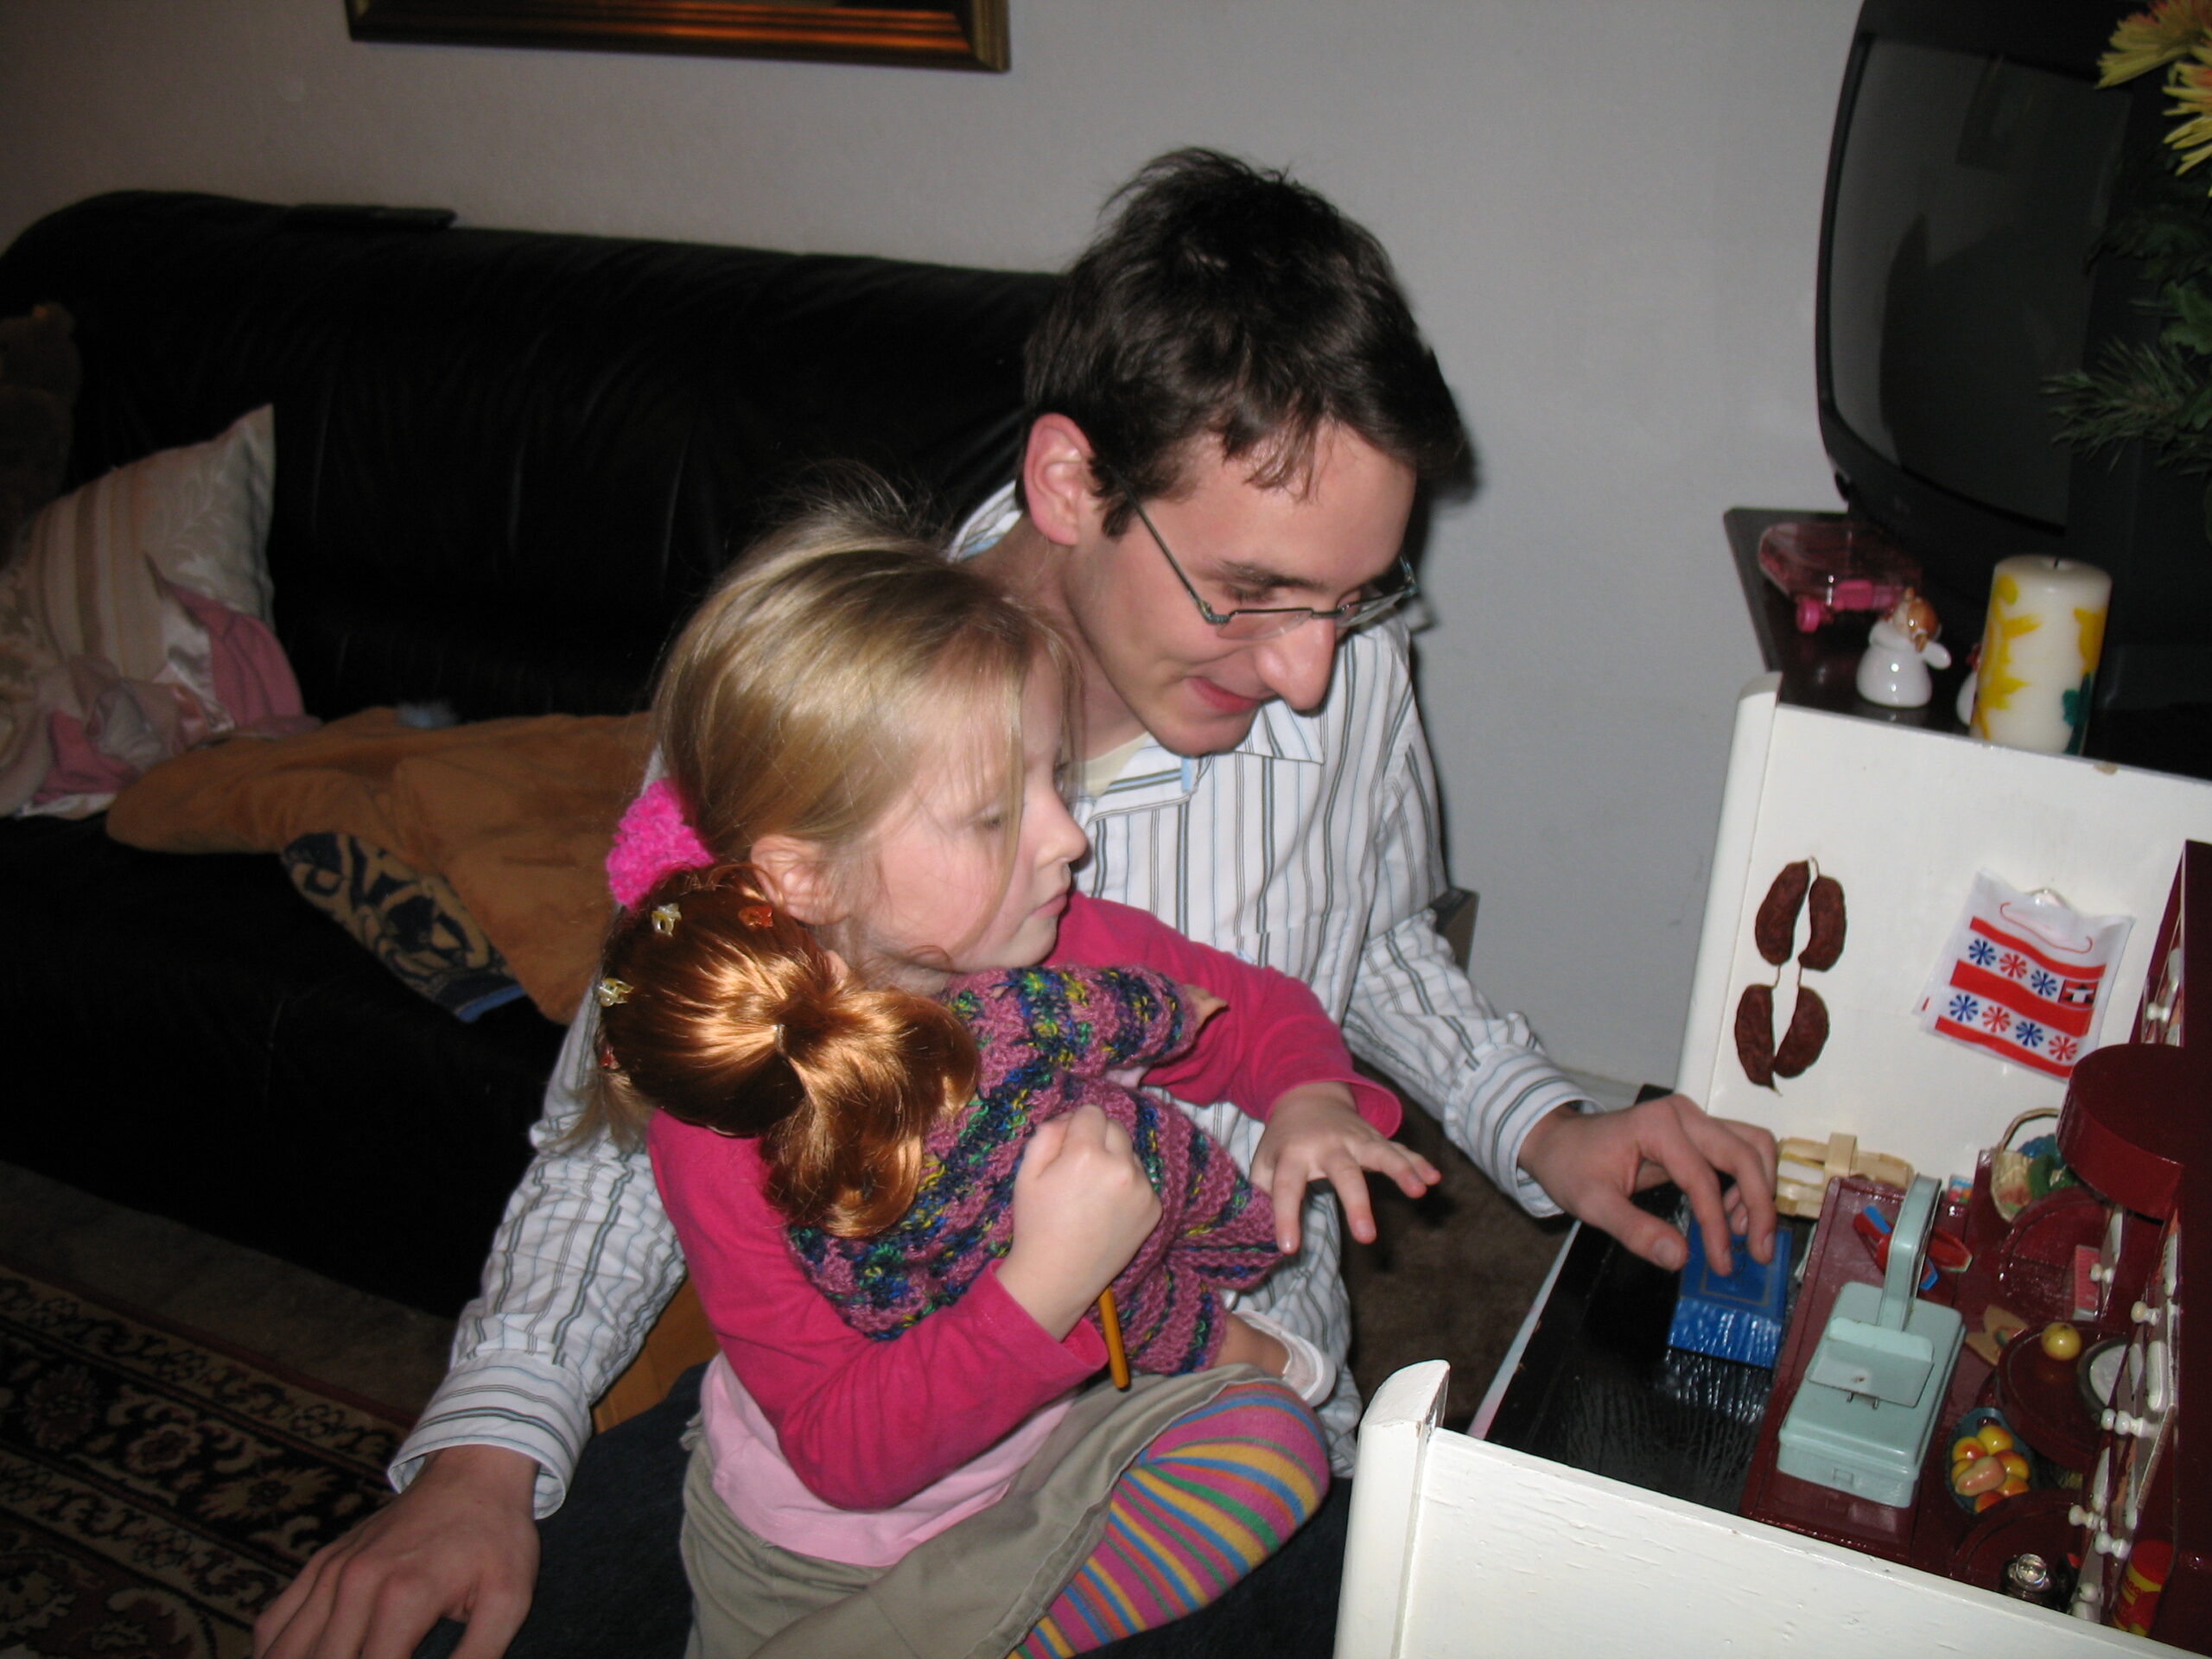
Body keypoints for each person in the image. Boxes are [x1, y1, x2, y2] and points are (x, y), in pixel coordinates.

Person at [256, 148, 1777, 1659]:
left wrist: (1541, 1123)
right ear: (1070, 483)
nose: (1311, 673)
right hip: (877, 1415)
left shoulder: (1348, 670)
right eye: (1252, 592)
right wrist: (483, 1455)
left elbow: (1367, 937)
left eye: (1352, 597)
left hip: (1210, 1382)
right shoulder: (810, 709)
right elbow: (625, 1124)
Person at [570, 519, 1428, 1653]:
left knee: (1277, 1443)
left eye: (1052, 780)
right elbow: (843, 1454)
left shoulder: (1058, 942)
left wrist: (1313, 1097)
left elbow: (1253, 1013)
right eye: (995, 813)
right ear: (807, 875)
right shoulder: (732, 1120)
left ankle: (1000, 1624)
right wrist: (1051, 1282)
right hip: (823, 1551)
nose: (1069, 837)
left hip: (1046, 1449)